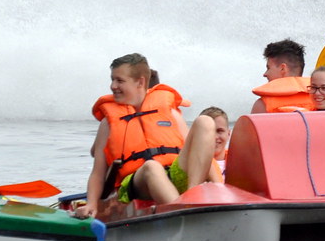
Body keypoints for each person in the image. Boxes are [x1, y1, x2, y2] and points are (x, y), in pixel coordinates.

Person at [73, 54, 220, 219]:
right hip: (135, 183)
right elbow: (97, 173)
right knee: (152, 167)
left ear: (140, 82)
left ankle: (193, 197)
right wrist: (91, 204)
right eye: (112, 80)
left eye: (119, 81)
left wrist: (221, 187)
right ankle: (185, 214)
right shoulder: (108, 123)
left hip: (172, 172)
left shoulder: (168, 111)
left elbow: (200, 154)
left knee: (205, 122)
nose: (113, 86)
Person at [251, 39, 314, 113]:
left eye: (268, 68)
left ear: (282, 68)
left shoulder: (262, 105)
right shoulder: (319, 99)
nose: (265, 74)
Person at [199, 106, 231, 176]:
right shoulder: (189, 164)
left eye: (219, 131)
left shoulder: (240, 163)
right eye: (208, 131)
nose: (215, 137)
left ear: (228, 134)